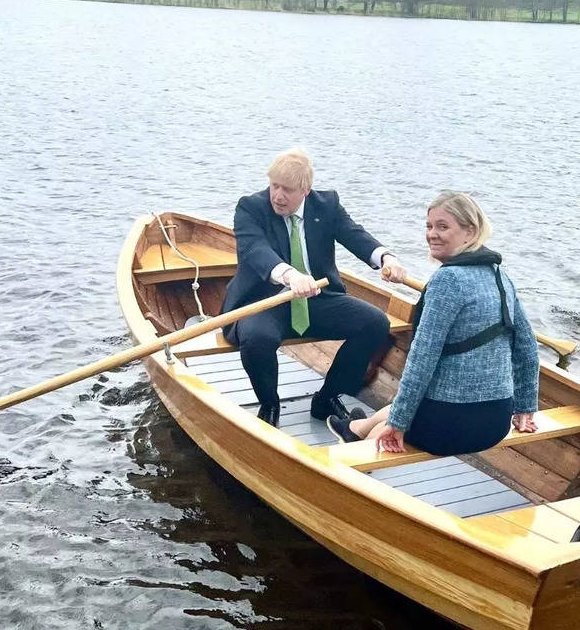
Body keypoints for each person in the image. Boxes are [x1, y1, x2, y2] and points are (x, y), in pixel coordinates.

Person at [326, 191, 539, 454]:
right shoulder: (499, 275)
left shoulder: (447, 280)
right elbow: (527, 348)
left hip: (449, 426)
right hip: (496, 422)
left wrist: (398, 424)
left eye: (443, 226)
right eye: (429, 226)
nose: (431, 234)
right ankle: (355, 428)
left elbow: (422, 359)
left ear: (470, 232)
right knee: (400, 411)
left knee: (389, 427)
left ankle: (354, 469)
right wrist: (526, 407)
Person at [222, 148, 408, 426]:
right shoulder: (250, 207)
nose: (278, 196)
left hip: (317, 298)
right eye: (274, 186)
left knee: (374, 323)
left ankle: (328, 398)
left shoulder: (327, 204)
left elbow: (353, 234)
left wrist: (386, 258)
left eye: (287, 190)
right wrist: (289, 275)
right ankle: (270, 405)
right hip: (264, 301)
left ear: (306, 191)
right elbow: (255, 250)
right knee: (257, 338)